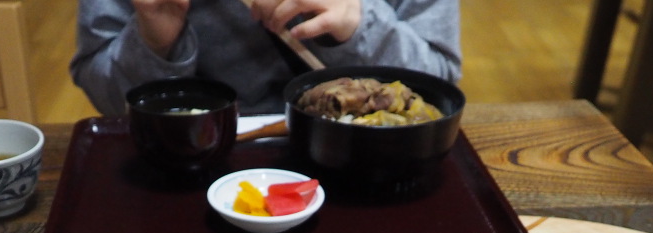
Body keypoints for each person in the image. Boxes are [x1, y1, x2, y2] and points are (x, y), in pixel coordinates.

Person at [70, 0, 461, 116]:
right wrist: (152, 39)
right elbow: (108, 100)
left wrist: (359, 21)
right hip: (197, 166)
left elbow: (437, 80)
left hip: (371, 164)